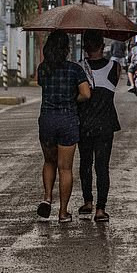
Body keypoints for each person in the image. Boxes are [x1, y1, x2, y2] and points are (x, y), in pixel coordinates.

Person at [36, 30, 91, 223]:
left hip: (47, 119)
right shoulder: (75, 69)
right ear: (67, 49)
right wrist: (71, 99)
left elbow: (42, 85)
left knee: (49, 162)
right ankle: (63, 212)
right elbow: (86, 94)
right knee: (65, 168)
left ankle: (47, 197)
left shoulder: (43, 68)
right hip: (67, 120)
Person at [77, 30, 121, 223]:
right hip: (105, 124)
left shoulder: (78, 68)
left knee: (85, 164)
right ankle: (101, 209)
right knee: (102, 167)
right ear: (103, 46)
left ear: (85, 47)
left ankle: (88, 202)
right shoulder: (115, 67)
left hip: (84, 123)